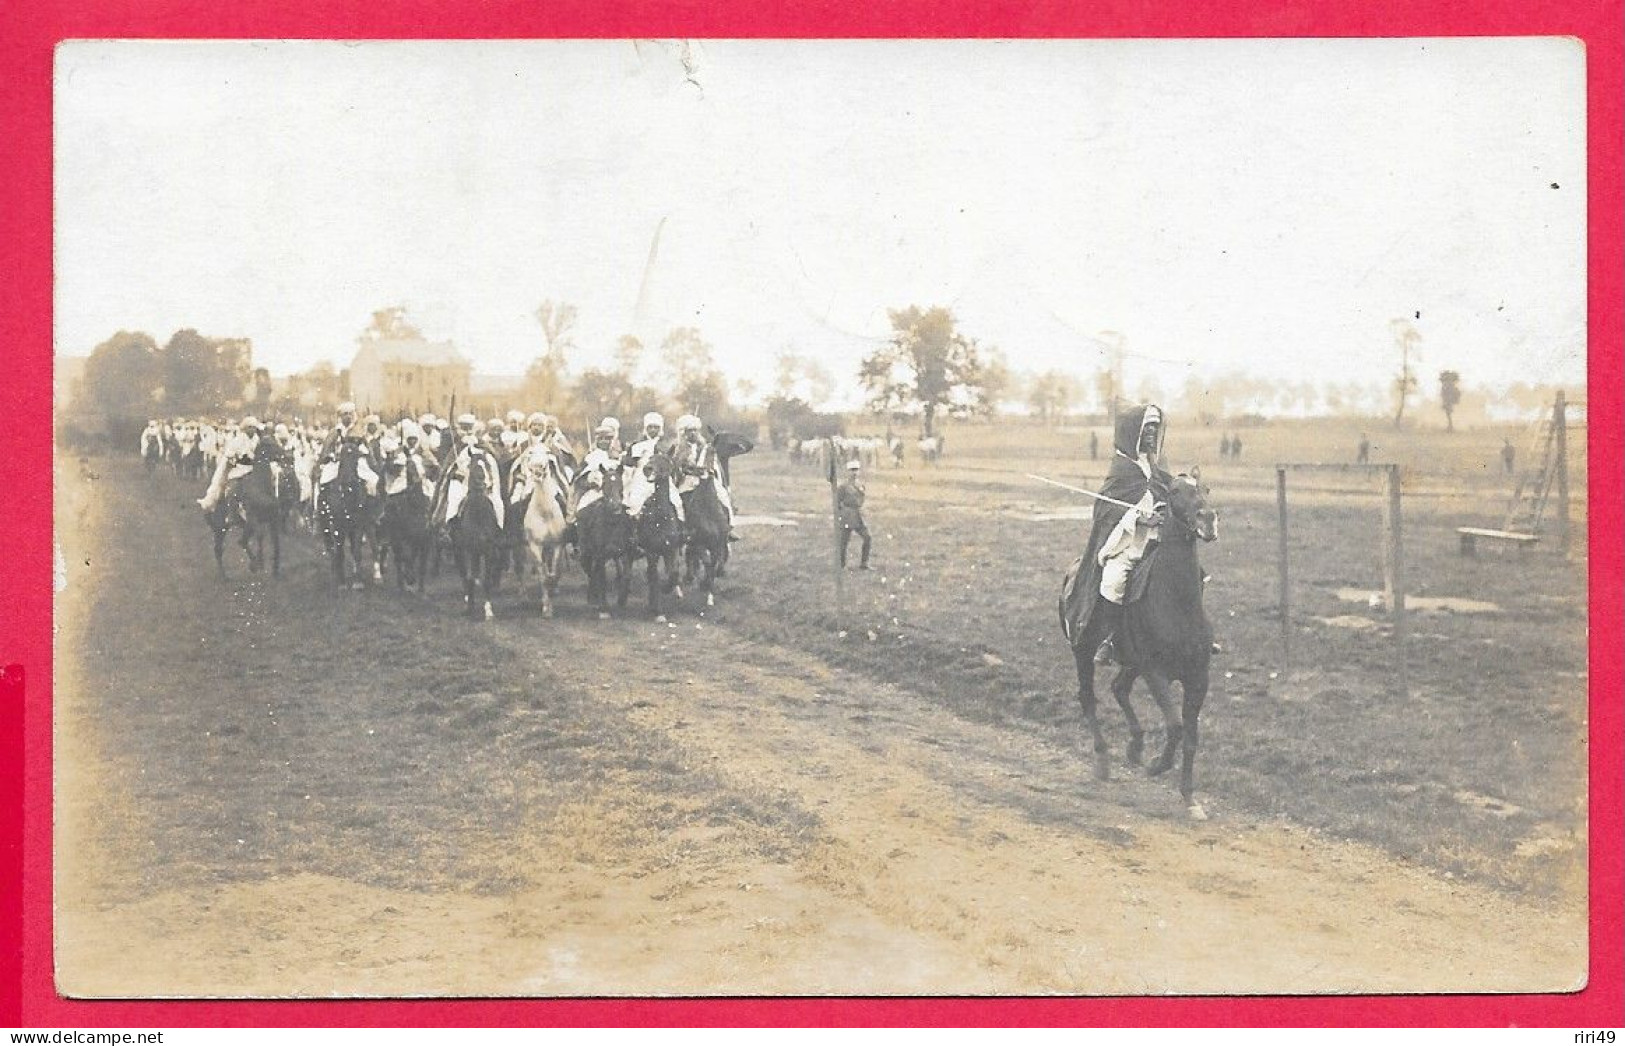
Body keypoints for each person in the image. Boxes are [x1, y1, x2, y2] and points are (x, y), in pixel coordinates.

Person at [1060, 404, 1172, 666]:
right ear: (1133, 433)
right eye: (1147, 430)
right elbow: (1107, 511)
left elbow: (1167, 490)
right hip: (1127, 542)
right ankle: (1110, 639)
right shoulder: (1122, 468)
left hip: (1156, 540)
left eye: (1155, 430)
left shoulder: (1153, 466)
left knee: (1187, 571)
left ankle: (1190, 631)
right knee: (1114, 579)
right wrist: (1140, 518)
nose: (1151, 436)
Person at [672, 414, 738, 539]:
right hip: (687, 481)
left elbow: (712, 464)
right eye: (689, 431)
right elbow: (676, 466)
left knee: (723, 496)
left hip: (707, 479)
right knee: (679, 502)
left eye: (695, 430)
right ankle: (683, 528)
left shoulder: (706, 447)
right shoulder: (678, 449)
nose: (692, 433)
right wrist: (686, 468)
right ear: (684, 433)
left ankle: (728, 527)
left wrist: (705, 469)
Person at [434, 413, 505, 529]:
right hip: (462, 482)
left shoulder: (483, 444)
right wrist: (455, 473)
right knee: (454, 500)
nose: (467, 431)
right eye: (464, 427)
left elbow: (493, 463)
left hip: (484, 481)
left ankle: (499, 528)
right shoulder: (456, 447)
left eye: (469, 427)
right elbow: (448, 468)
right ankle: (448, 528)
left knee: (497, 502)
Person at [623, 411, 684, 521]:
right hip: (641, 478)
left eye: (656, 427)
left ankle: (680, 527)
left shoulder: (666, 446)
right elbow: (629, 466)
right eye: (650, 427)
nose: (652, 430)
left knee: (676, 501)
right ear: (645, 428)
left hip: (661, 477)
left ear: (660, 429)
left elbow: (672, 464)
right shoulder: (636, 446)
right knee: (635, 502)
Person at [197, 416, 265, 512]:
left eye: (254, 427)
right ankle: (231, 514)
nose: (252, 430)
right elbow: (229, 455)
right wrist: (238, 458)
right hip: (238, 470)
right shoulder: (237, 440)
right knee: (232, 490)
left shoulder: (257, 440)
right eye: (250, 427)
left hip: (253, 469)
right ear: (245, 428)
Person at [837, 459, 872, 570]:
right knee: (844, 541)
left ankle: (864, 563)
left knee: (867, 537)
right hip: (847, 515)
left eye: (856, 470)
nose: (854, 472)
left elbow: (862, 499)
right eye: (852, 470)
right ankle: (842, 565)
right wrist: (842, 514)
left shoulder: (861, 485)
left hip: (859, 515)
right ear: (847, 471)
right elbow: (837, 502)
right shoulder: (843, 486)